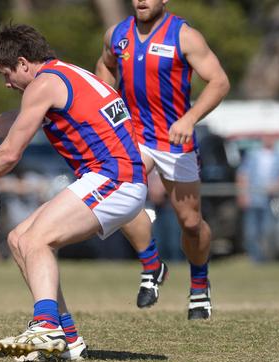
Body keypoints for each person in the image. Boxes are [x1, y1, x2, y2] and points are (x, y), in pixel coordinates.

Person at [0, 23, 146, 362]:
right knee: (19, 239)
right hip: (114, 178)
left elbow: (9, 153)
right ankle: (69, 341)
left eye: (7, 74)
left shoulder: (44, 84)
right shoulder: (62, 75)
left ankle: (46, 326)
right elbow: (15, 120)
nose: (6, 83)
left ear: (23, 62)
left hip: (114, 179)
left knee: (36, 241)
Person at [96, 0, 230, 320]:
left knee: (191, 223)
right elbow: (105, 66)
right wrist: (107, 102)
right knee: (120, 198)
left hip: (174, 139)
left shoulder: (184, 36)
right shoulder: (117, 34)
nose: (142, 0)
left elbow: (220, 81)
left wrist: (190, 118)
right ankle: (152, 264)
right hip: (134, 136)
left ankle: (200, 285)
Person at [236, 135, 279, 262]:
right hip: (253, 198)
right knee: (251, 230)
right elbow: (243, 175)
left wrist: (276, 186)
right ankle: (256, 258)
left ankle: (269, 257)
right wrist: (243, 194)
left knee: (268, 229)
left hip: (272, 199)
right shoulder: (253, 155)